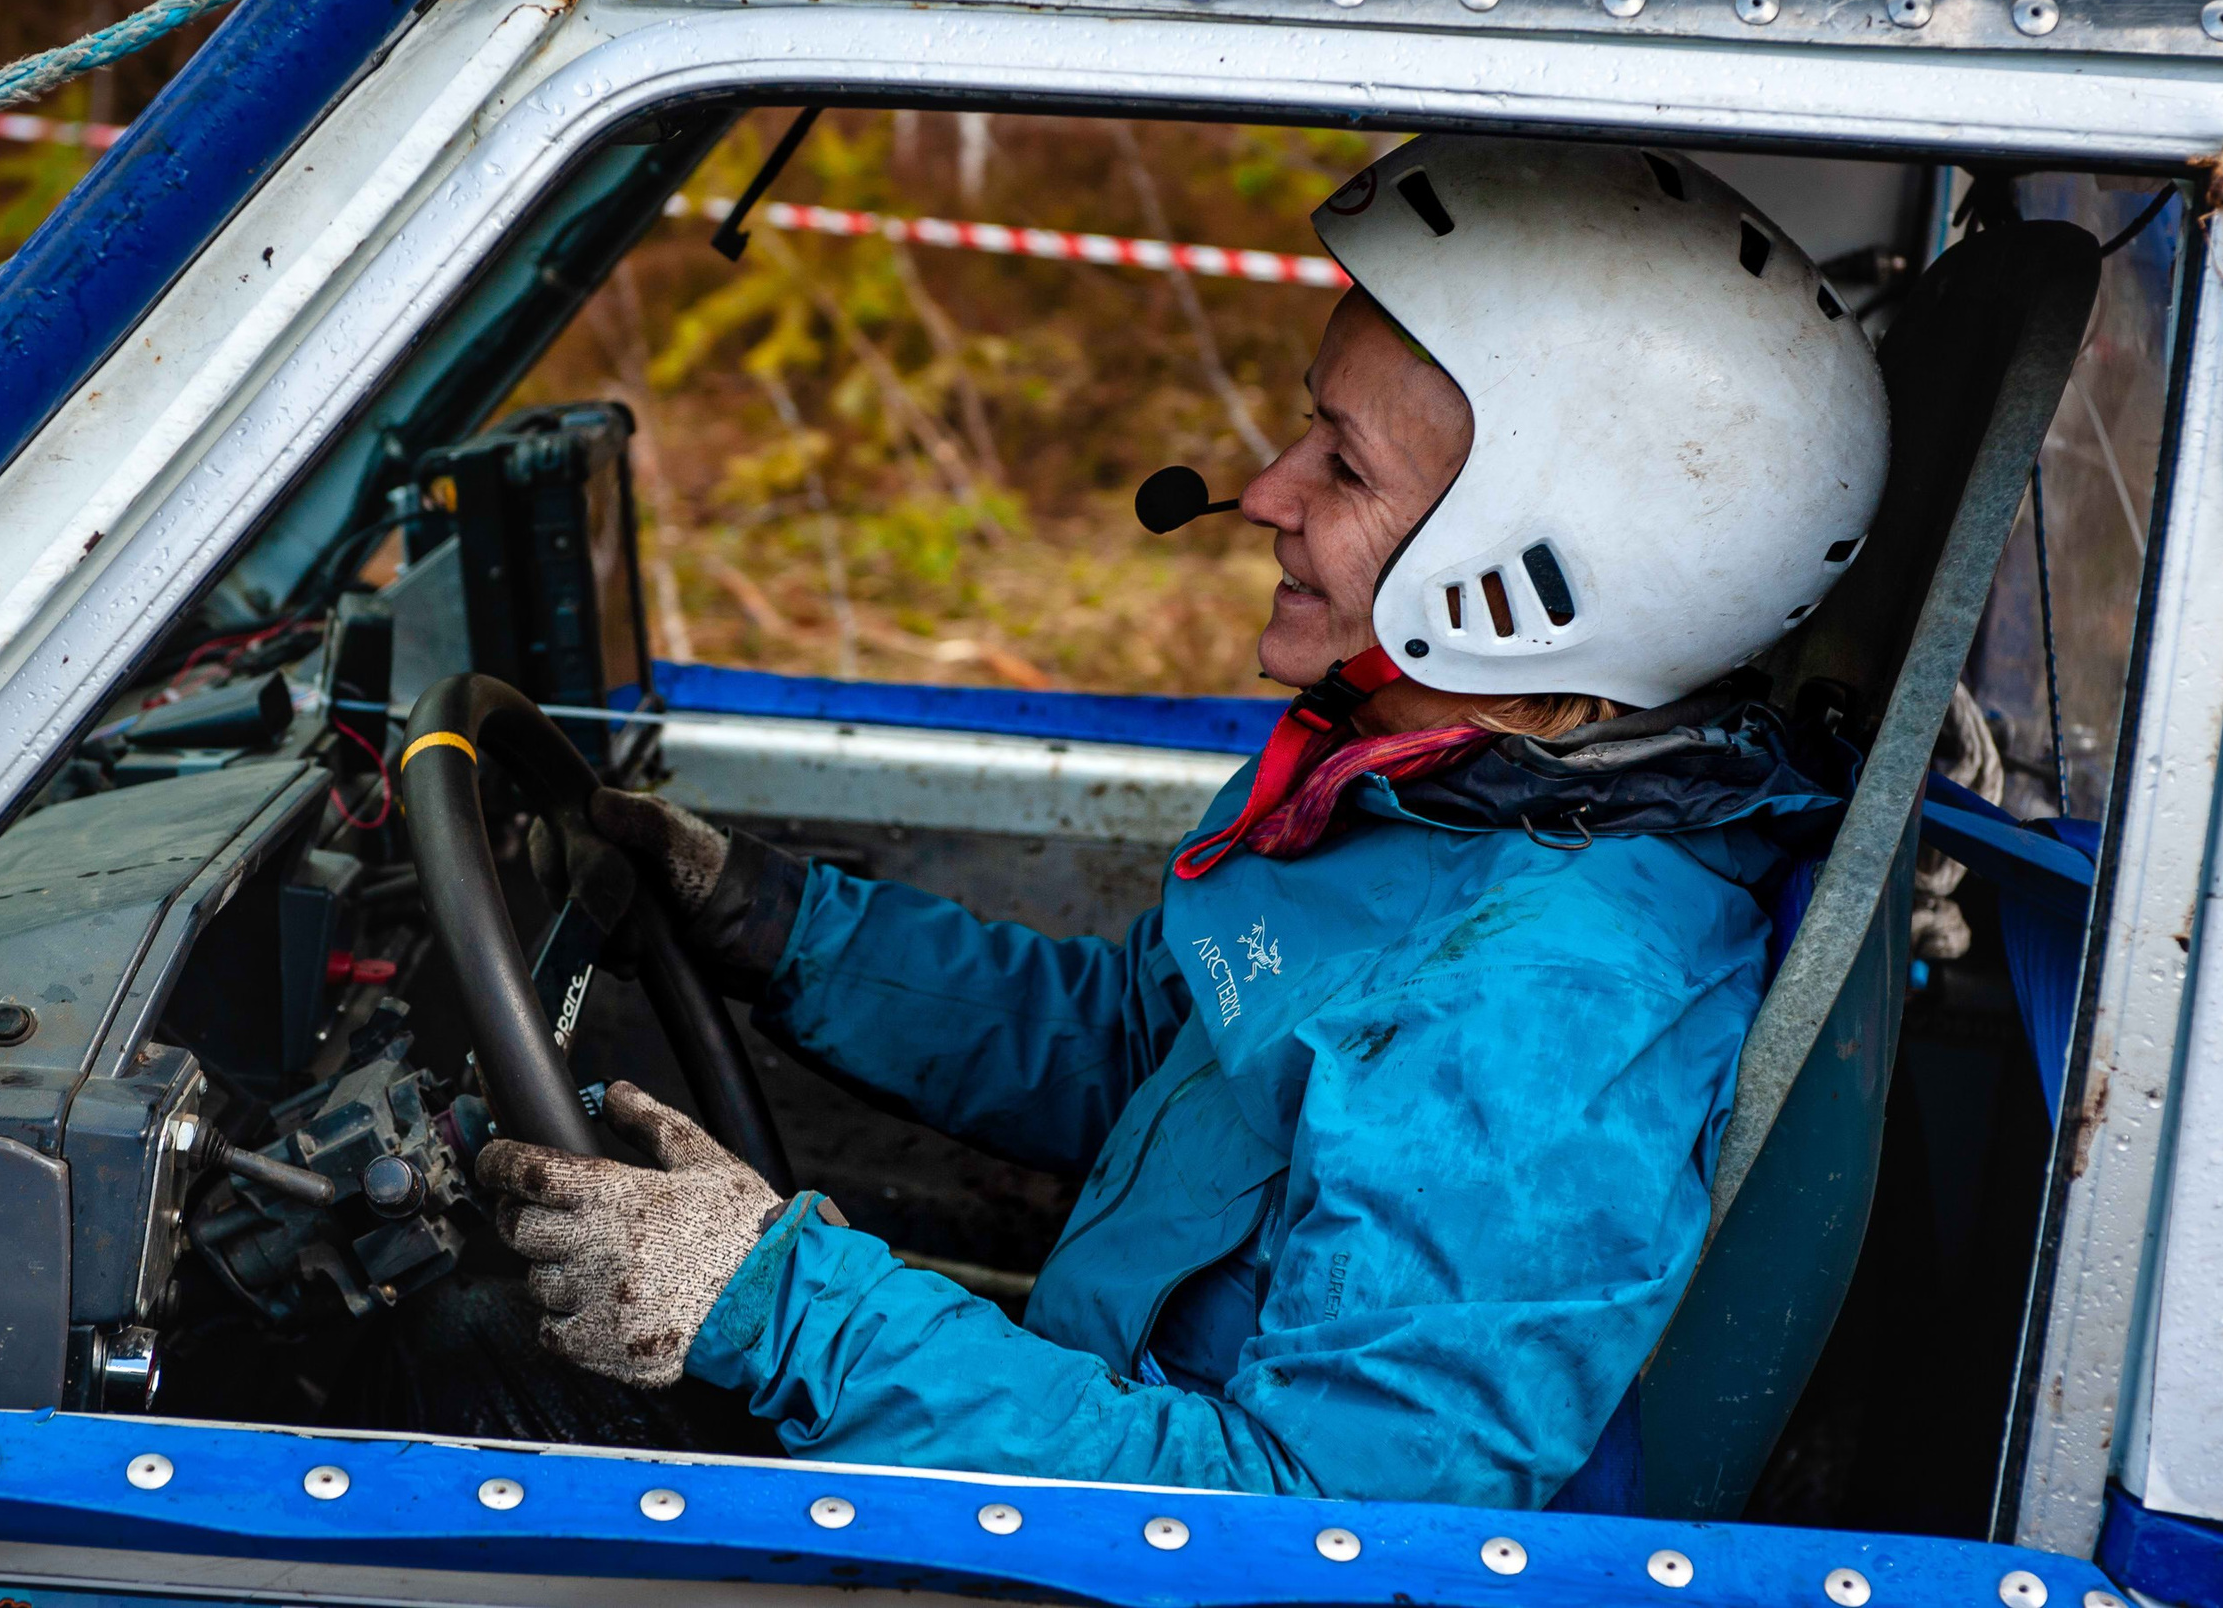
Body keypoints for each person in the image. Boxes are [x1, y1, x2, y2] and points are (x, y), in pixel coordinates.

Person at [474, 136, 1889, 1509]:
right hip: (1076, 1424)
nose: (1266, 492)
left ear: (1537, 565)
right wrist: (781, 926)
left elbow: (1321, 1534)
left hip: (1110, 1542)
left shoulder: (1537, 1015)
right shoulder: (1420, 804)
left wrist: (783, 1311)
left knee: (468, 1382)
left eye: (1341, 467)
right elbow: (1157, 1060)